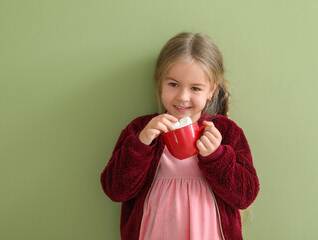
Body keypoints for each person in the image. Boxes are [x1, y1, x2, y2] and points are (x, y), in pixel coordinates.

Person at [100, 32, 259, 240]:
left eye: (195, 88)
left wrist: (217, 156)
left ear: (211, 90)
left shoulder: (226, 132)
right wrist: (141, 145)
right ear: (160, 83)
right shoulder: (141, 129)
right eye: (173, 84)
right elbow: (115, 189)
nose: (183, 97)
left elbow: (245, 195)